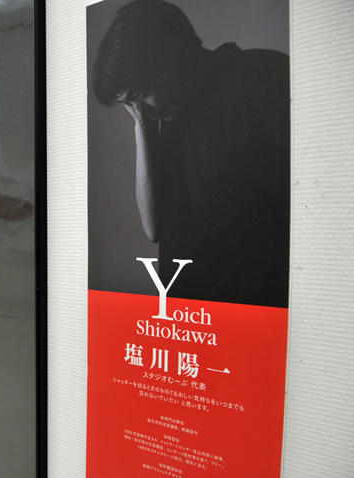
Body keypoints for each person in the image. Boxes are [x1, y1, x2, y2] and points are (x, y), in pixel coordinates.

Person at [92, 0, 290, 308]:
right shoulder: (169, 118)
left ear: (168, 60)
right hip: (186, 319)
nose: (143, 112)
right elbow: (154, 228)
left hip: (250, 312)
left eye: (140, 96)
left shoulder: (260, 78)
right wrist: (142, 125)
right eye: (130, 105)